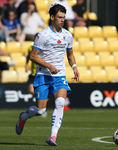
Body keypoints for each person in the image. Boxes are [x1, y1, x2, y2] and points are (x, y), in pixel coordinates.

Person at [15, 4, 79, 146]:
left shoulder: (67, 35)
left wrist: (74, 67)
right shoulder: (43, 35)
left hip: (59, 76)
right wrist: (49, 66)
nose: (62, 20)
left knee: (60, 102)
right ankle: (24, 117)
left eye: (64, 17)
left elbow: (70, 54)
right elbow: (33, 56)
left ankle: (53, 137)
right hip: (43, 76)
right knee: (40, 110)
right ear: (52, 17)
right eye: (59, 17)